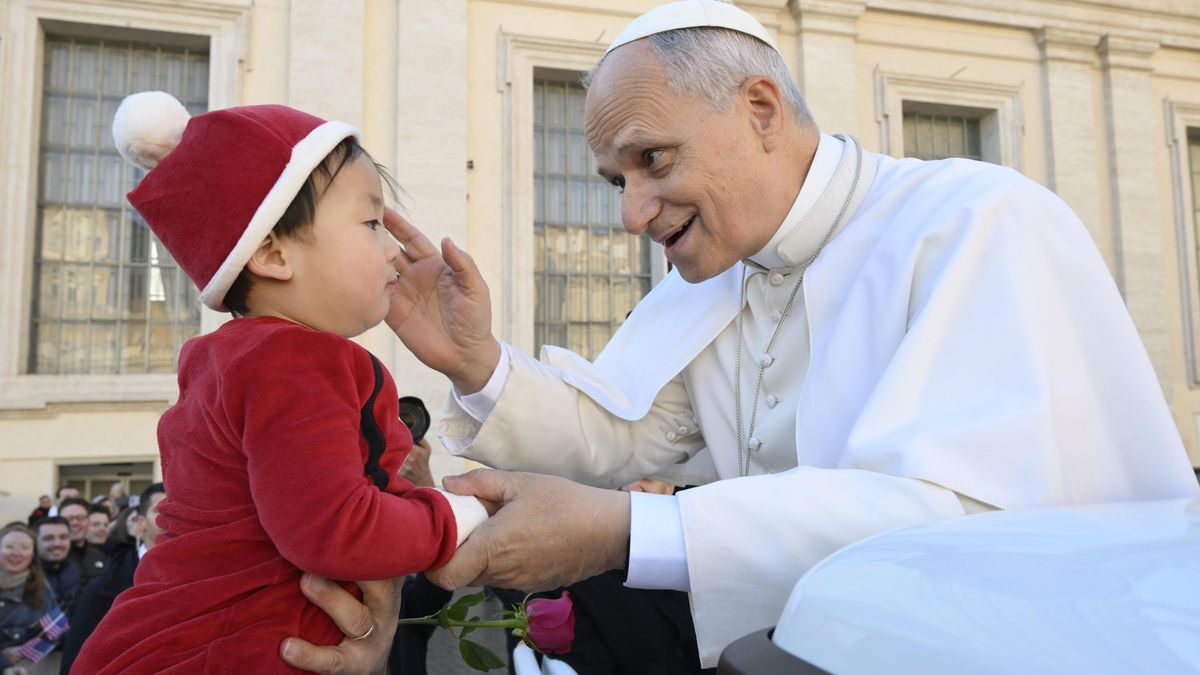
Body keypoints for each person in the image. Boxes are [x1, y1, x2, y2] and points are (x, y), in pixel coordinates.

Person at [284, 1, 1200, 670]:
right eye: (615, 181)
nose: (635, 213)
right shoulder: (716, 266)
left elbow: (964, 523)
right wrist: (476, 361)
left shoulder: (976, 223)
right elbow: (622, 435)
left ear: (760, 110)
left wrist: (625, 531)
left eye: (654, 160)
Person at [70, 92, 489, 674]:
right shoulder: (294, 361)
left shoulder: (239, 356)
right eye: (371, 222)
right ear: (271, 252)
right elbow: (335, 530)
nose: (394, 251)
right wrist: (456, 516)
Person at [58, 484, 165, 675]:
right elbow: (75, 665)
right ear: (140, 522)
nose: (171, 518)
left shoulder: (208, 578)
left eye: (180, 510)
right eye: (160, 510)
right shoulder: (104, 588)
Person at [0, 524, 59, 675]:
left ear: (33, 554)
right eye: (9, 546)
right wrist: (3, 660)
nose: (17, 553)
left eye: (25, 547)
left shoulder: (44, 591)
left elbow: (54, 633)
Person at [32, 520, 78, 618]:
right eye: (48, 538)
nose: (57, 543)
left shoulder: (75, 568)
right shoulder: (25, 578)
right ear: (35, 542)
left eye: (63, 537)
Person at [53, 500, 104, 587]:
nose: (75, 523)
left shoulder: (101, 556)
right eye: (69, 519)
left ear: (88, 522)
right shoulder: (49, 558)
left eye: (80, 518)